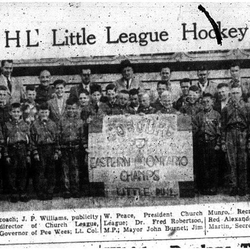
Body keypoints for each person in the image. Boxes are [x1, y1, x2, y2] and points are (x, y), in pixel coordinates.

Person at [221, 83, 250, 196]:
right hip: (230, 134)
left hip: (243, 133)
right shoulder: (226, 109)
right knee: (231, 161)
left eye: (237, 93)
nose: (235, 95)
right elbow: (223, 126)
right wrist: (223, 141)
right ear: (229, 94)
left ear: (241, 93)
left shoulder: (247, 107)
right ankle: (233, 186)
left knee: (242, 161)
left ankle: (243, 187)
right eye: (233, 93)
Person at [192, 93, 221, 195]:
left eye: (208, 101)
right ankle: (203, 187)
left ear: (212, 102)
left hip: (212, 143)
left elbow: (219, 131)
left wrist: (218, 144)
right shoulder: (198, 116)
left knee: (212, 166)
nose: (206, 104)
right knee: (202, 166)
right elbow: (194, 129)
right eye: (203, 102)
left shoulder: (217, 115)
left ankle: (213, 187)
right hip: (201, 143)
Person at [58, 98, 86, 198]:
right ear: (66, 109)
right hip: (64, 147)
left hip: (75, 147)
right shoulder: (61, 121)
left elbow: (82, 136)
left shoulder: (80, 121)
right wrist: (58, 148)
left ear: (77, 109)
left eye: (73, 108)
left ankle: (75, 189)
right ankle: (66, 190)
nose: (71, 111)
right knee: (65, 169)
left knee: (75, 169)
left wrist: (85, 146)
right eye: (69, 108)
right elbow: (58, 135)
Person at [30, 102, 59, 200]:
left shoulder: (53, 124)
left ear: (49, 112)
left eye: (46, 112)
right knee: (40, 172)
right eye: (42, 112)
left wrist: (56, 151)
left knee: (51, 171)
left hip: (50, 148)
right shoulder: (34, 124)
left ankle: (50, 191)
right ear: (38, 113)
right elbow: (32, 140)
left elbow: (57, 139)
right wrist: (35, 152)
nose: (44, 115)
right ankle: (40, 192)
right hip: (40, 149)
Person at [3, 102, 30, 202]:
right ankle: (14, 192)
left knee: (23, 170)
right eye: (14, 112)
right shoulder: (7, 125)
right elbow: (4, 141)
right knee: (12, 171)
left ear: (21, 113)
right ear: (10, 112)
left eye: (18, 112)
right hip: (12, 149)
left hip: (22, 149)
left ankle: (22, 192)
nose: (16, 114)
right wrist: (6, 154)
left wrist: (28, 153)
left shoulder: (25, 124)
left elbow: (29, 140)